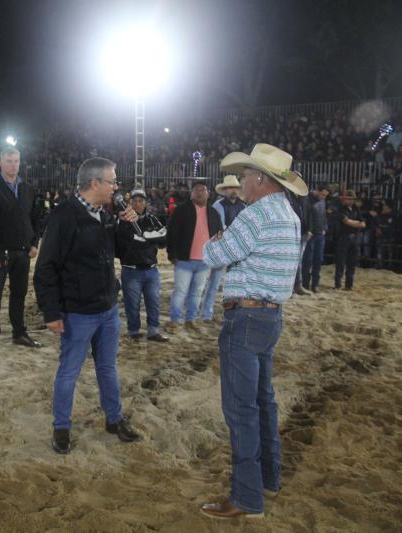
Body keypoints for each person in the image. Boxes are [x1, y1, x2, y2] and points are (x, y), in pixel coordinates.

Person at [200, 143, 305, 520]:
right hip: (271, 318)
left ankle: (246, 498)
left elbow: (213, 256)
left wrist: (218, 243)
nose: (240, 182)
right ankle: (267, 479)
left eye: (245, 175)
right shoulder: (289, 214)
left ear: (260, 179)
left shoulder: (254, 215)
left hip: (244, 319)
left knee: (240, 409)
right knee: (263, 402)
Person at [34, 157, 142, 455]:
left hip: (107, 308)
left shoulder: (104, 214)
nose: (116, 187)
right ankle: (61, 428)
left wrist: (126, 225)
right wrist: (51, 312)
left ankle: (114, 419)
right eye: (112, 181)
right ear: (95, 183)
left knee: (107, 368)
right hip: (78, 312)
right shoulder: (64, 216)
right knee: (69, 370)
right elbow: (45, 268)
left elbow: (120, 252)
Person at [0, 146, 42, 351]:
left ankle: (19, 333)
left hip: (23, 252)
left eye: (16, 161)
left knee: (19, 294)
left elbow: (35, 218)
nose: (13, 165)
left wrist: (34, 244)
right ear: (0, 163)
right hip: (0, 253)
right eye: (9, 161)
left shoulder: (27, 189)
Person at [166, 181, 223, 332]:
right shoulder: (181, 210)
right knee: (180, 291)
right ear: (192, 193)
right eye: (196, 190)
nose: (199, 193)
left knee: (197, 293)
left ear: (208, 193)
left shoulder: (213, 213)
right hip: (184, 259)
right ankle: (175, 320)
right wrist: (172, 254)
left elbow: (219, 235)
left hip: (204, 261)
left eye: (203, 190)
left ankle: (190, 320)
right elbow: (171, 232)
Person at [115, 187, 169, 342]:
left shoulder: (151, 218)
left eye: (141, 200)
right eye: (135, 201)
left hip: (151, 269)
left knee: (154, 303)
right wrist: (149, 238)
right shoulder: (123, 221)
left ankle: (153, 331)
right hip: (131, 270)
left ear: (145, 202)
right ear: (129, 203)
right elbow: (124, 242)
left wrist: (145, 238)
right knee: (132, 305)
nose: (138, 204)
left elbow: (164, 239)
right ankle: (133, 331)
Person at [201, 175, 245, 321]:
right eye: (231, 188)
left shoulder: (242, 205)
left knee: (234, 284)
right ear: (225, 190)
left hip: (236, 248)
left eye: (236, 188)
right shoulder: (218, 206)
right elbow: (218, 228)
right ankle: (207, 313)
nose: (234, 191)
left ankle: (232, 312)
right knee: (214, 281)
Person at [334, 190, 365, 290]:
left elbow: (363, 223)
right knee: (340, 262)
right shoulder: (341, 209)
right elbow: (347, 222)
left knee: (352, 262)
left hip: (354, 237)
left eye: (352, 199)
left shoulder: (356, 209)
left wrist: (354, 223)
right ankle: (338, 284)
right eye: (348, 199)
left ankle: (349, 285)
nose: (350, 201)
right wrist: (357, 224)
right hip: (344, 237)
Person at [301, 185, 329, 292]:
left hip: (320, 234)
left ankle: (315, 284)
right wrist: (308, 230)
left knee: (318, 260)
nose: (323, 197)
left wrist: (325, 228)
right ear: (317, 191)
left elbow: (324, 216)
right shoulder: (307, 200)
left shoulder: (322, 201)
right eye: (322, 194)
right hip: (311, 235)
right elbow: (306, 215)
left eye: (325, 195)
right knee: (308, 260)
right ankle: (305, 284)